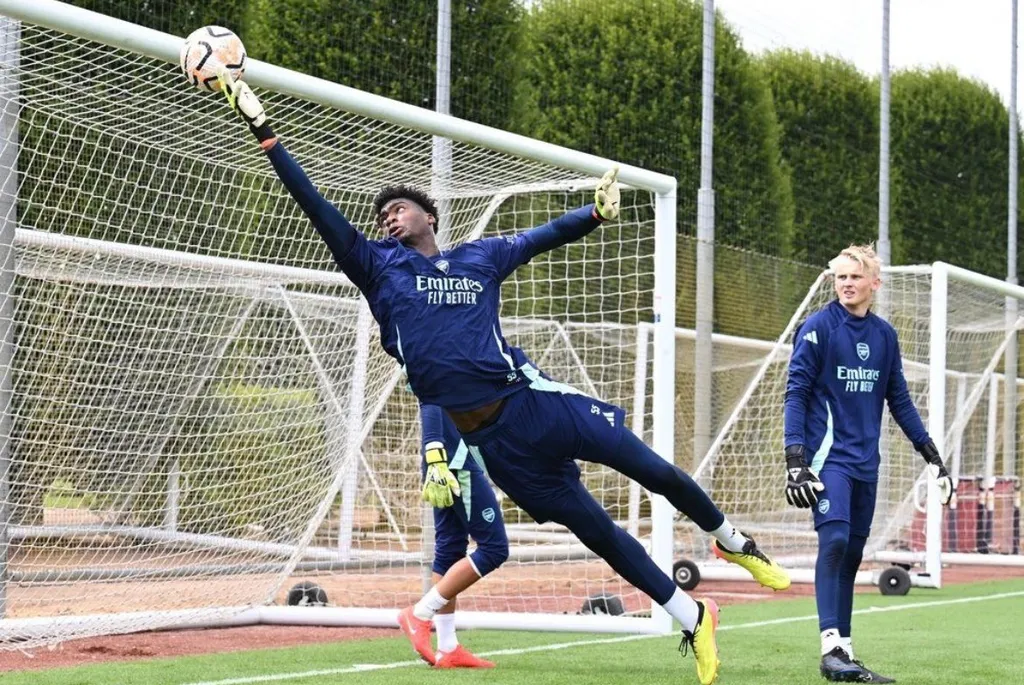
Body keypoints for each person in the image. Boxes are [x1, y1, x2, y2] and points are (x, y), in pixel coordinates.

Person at [216, 69, 790, 685]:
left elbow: (542, 238)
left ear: (430, 214)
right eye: (380, 213)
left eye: (399, 207)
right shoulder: (377, 268)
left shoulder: (479, 257)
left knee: (653, 470)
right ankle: (692, 617)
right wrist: (264, 129)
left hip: (534, 403)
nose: (388, 218)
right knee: (597, 531)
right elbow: (314, 204)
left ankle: (731, 539)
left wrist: (593, 214)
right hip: (497, 445)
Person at [784, 244, 954, 683]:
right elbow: (796, 393)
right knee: (835, 540)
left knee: (854, 552)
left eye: (855, 277)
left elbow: (898, 399)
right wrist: (795, 458)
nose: (846, 283)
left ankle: (845, 650)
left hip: (866, 464)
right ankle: (830, 648)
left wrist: (930, 453)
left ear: (873, 284)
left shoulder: (884, 336)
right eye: (840, 277)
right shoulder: (817, 329)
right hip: (827, 460)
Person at [412, 413, 507, 668]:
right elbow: (430, 395)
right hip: (453, 460)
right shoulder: (436, 372)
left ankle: (447, 648)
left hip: (444, 457)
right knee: (494, 548)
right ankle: (420, 613)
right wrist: (435, 455)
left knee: (450, 549)